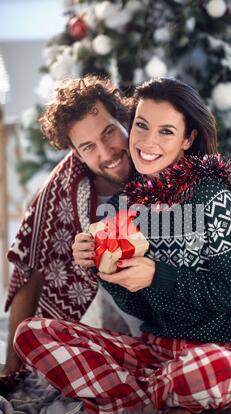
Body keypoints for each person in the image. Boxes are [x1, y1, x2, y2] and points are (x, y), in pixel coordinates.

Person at [14, 77, 231, 414]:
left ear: (187, 139)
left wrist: (158, 274)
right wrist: (105, 269)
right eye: (142, 126)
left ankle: (134, 394)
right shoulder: (119, 208)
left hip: (223, 346)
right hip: (158, 348)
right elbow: (143, 310)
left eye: (165, 132)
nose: (147, 142)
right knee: (31, 334)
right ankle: (167, 398)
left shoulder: (210, 195)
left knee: (214, 369)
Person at [0, 75, 142, 381]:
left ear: (124, 120)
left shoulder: (157, 156)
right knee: (31, 336)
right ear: (75, 153)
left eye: (109, 133)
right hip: (122, 321)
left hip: (184, 308)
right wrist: (12, 367)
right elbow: (30, 267)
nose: (106, 153)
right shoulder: (62, 188)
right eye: (89, 147)